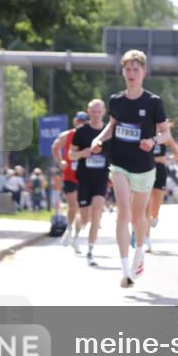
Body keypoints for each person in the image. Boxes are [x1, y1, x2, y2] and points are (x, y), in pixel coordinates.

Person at [90, 50, 170, 288]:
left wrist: (153, 141)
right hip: (119, 164)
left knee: (138, 217)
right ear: (123, 72)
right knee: (123, 212)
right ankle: (125, 269)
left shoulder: (153, 102)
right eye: (128, 69)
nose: (132, 74)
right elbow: (112, 127)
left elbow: (165, 133)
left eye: (136, 69)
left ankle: (139, 252)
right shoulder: (116, 100)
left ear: (144, 72)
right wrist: (98, 140)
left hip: (144, 168)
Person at [67, 99, 110, 267]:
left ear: (104, 112)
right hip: (84, 178)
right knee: (85, 218)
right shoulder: (81, 132)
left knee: (97, 213)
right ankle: (76, 236)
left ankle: (90, 251)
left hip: (101, 178)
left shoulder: (109, 132)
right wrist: (84, 152)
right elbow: (71, 155)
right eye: (94, 112)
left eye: (99, 112)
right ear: (89, 112)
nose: (97, 115)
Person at [144, 118, 178, 253]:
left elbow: (177, 152)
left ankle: (154, 218)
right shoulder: (145, 135)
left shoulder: (164, 138)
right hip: (146, 171)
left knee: (155, 208)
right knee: (145, 206)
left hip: (160, 172)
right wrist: (155, 159)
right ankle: (146, 240)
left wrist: (168, 159)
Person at [52, 112, 87, 250]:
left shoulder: (90, 135)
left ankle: (75, 237)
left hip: (86, 175)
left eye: (84, 121)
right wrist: (60, 161)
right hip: (69, 175)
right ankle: (69, 229)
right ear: (75, 121)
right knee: (73, 206)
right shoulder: (67, 135)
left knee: (83, 211)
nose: (81, 123)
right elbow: (55, 147)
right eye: (79, 120)